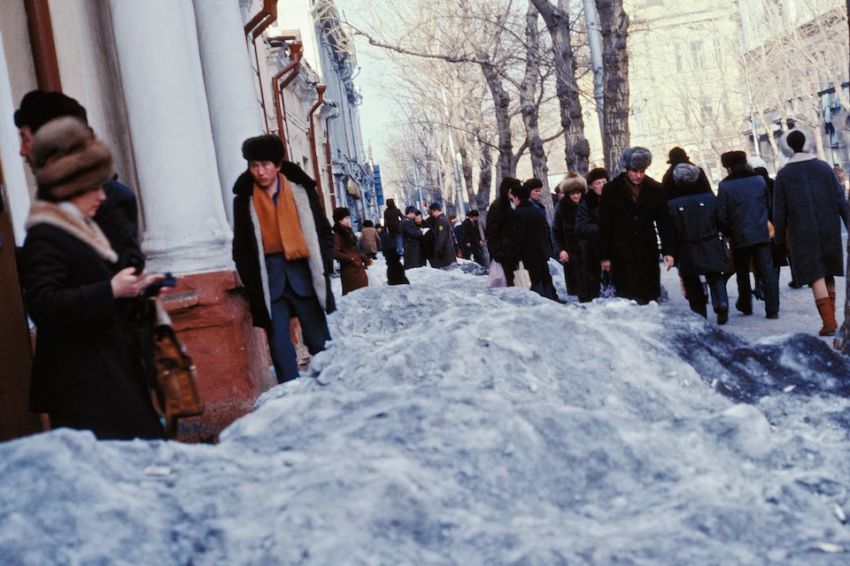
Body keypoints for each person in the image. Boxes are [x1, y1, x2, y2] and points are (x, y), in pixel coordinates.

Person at [20, 117, 165, 440]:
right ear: (71, 186)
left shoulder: (79, 227)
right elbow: (43, 303)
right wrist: (111, 289)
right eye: (93, 187)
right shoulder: (46, 234)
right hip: (83, 383)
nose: (102, 196)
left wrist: (136, 291)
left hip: (106, 372)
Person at [232, 135, 335, 383]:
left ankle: (330, 388)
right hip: (270, 281)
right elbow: (241, 247)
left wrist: (325, 265)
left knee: (318, 340)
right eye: (254, 165)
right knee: (279, 345)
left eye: (265, 164)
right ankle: (290, 396)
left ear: (277, 165)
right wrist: (251, 280)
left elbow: (323, 230)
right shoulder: (244, 200)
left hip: (304, 275)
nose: (260, 171)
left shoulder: (301, 190)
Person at [15, 90, 144, 271]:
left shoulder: (109, 197)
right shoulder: (55, 200)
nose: (21, 151)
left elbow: (125, 275)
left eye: (24, 138)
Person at [774, 128, 850, 336]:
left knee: (815, 274)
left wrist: (779, 240)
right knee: (828, 271)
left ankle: (829, 322)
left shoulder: (784, 175)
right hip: (828, 228)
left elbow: (779, 212)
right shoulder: (824, 167)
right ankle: (831, 319)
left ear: (788, 147)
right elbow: (841, 201)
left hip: (801, 232)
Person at [599, 147, 674, 304]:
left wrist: (668, 251)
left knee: (650, 296)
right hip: (621, 253)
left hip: (647, 251)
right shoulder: (611, 190)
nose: (638, 175)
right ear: (627, 169)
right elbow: (605, 224)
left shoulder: (656, 189)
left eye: (642, 171)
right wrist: (605, 256)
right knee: (628, 298)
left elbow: (664, 223)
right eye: (635, 171)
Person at [717, 150, 779, 319]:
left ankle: (745, 304)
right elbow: (768, 204)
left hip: (739, 235)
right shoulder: (759, 180)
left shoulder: (724, 186)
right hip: (761, 232)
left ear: (728, 167)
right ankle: (772, 309)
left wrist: (728, 232)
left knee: (742, 272)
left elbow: (721, 215)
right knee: (766, 270)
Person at [667, 164, 729, 324]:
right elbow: (721, 220)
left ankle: (699, 313)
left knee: (692, 282)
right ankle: (721, 302)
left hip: (687, 247)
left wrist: (671, 252)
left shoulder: (673, 205)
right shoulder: (709, 199)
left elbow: (671, 231)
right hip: (710, 242)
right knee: (716, 277)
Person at [513, 182, 557, 300]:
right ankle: (550, 296)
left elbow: (518, 236)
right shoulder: (536, 210)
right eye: (536, 191)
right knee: (543, 275)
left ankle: (542, 298)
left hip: (530, 251)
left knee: (534, 278)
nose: (539, 193)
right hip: (540, 249)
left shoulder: (520, 213)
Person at [574, 167, 609, 303]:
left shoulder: (615, 199)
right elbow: (581, 227)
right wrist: (602, 229)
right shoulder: (587, 204)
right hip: (594, 252)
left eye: (603, 182)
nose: (601, 186)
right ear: (591, 186)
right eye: (597, 183)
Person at [553, 172, 586, 297]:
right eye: (573, 193)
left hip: (590, 252)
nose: (576, 196)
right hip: (571, 253)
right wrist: (560, 250)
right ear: (568, 193)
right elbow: (555, 231)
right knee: (578, 290)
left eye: (578, 192)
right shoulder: (561, 207)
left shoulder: (589, 204)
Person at [485, 177, 522, 287]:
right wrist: (496, 251)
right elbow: (491, 231)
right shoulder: (497, 206)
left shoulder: (515, 203)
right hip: (503, 252)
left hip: (513, 251)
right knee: (506, 282)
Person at [333, 207, 369, 295]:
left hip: (358, 268)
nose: (349, 220)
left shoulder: (348, 231)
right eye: (346, 218)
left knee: (363, 294)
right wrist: (351, 258)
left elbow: (353, 249)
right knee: (355, 296)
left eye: (348, 218)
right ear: (339, 220)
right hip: (349, 271)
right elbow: (335, 253)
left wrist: (363, 257)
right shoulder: (337, 235)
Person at [424, 202, 457, 268]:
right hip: (446, 252)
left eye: (432, 212)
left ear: (436, 210)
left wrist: (437, 251)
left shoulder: (441, 221)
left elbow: (441, 238)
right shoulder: (443, 219)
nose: (432, 214)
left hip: (445, 253)